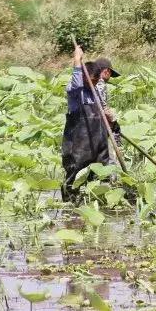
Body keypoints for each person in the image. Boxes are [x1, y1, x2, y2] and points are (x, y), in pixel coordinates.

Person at [60, 45, 121, 201]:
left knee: (102, 179)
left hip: (97, 148)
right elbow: (76, 82)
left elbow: (103, 117)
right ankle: (71, 207)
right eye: (91, 82)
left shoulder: (95, 94)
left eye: (95, 82)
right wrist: (77, 59)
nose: (94, 85)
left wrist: (111, 121)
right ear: (84, 77)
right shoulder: (76, 92)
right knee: (74, 183)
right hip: (78, 148)